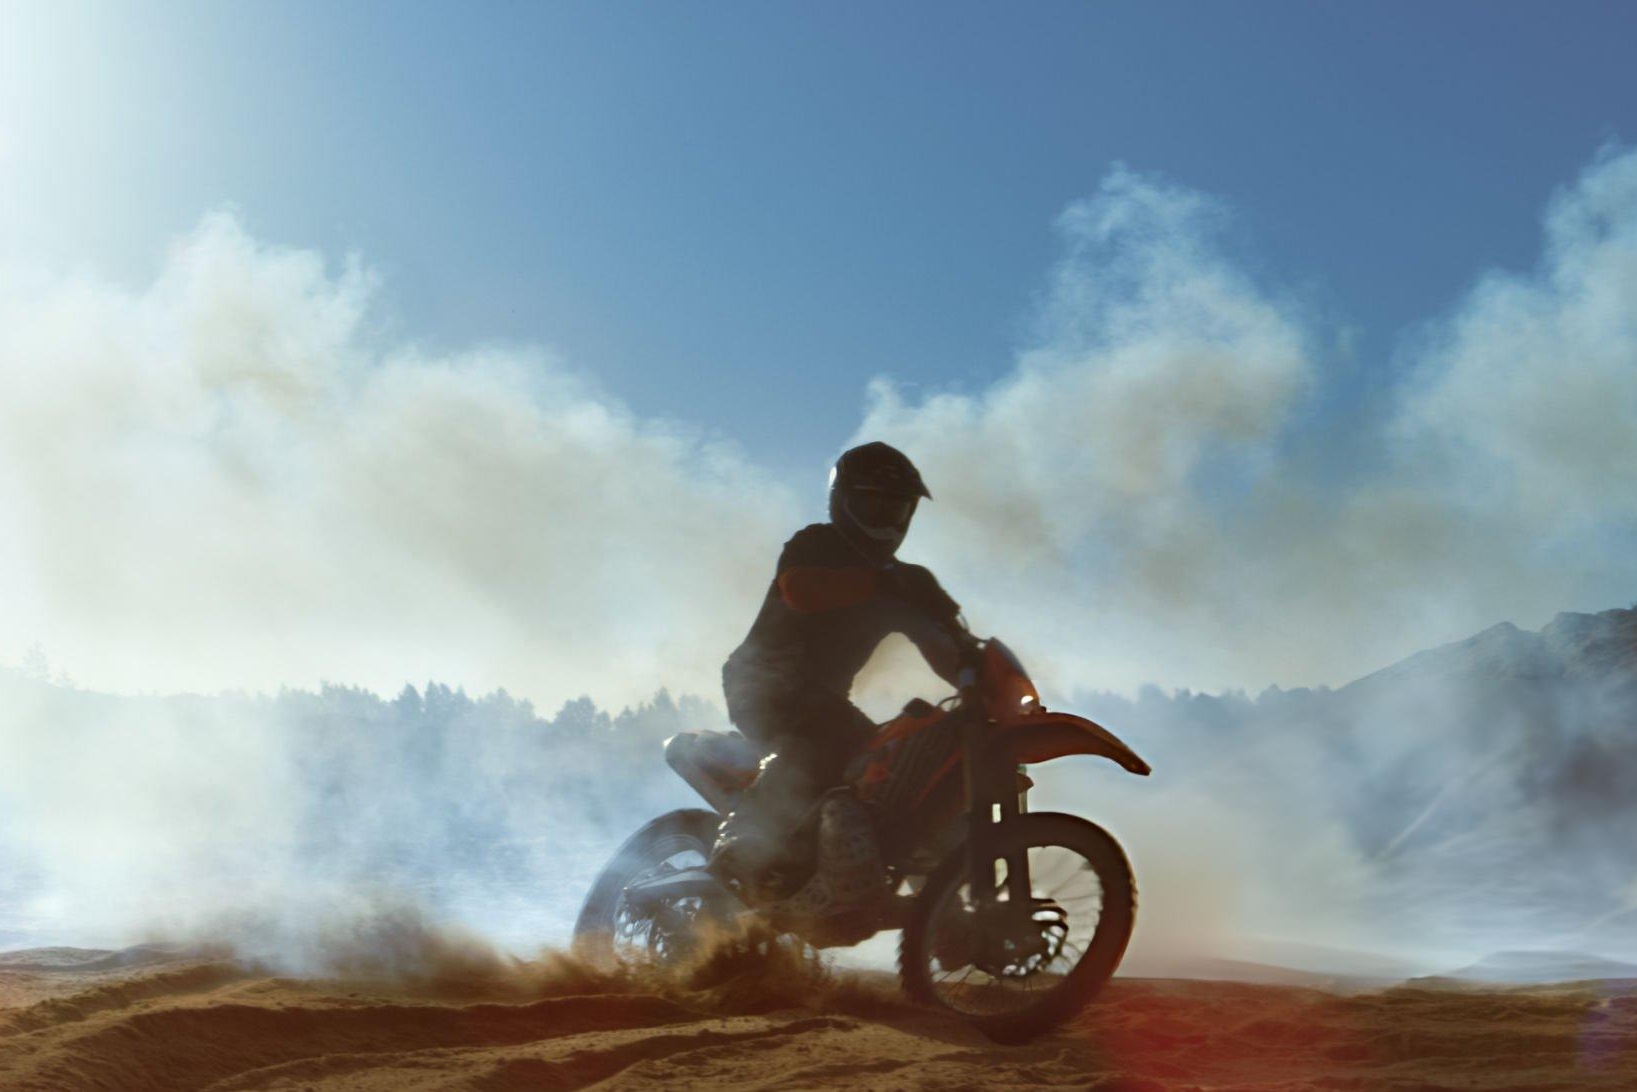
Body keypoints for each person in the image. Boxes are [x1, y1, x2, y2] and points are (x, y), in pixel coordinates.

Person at [711, 441, 968, 897]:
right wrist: (883, 583)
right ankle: (742, 836)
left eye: (897, 507)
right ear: (843, 502)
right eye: (873, 503)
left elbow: (946, 644)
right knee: (823, 736)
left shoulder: (908, 582)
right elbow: (800, 591)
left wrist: (982, 676)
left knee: (897, 773)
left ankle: (938, 909)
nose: (886, 518)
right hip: (762, 685)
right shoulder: (814, 544)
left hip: (825, 703)